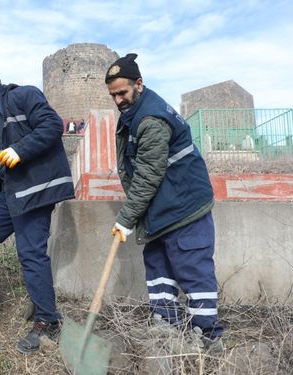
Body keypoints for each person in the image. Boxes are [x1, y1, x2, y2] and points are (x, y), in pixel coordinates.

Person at [0, 57, 74, 354]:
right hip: (12, 193)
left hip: (36, 190)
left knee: (30, 252)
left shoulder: (24, 96)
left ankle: (48, 320)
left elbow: (52, 126)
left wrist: (21, 149)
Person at [105, 53, 224, 352]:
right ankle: (166, 325)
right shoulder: (134, 113)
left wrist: (126, 217)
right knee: (157, 264)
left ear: (139, 84)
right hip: (161, 207)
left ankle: (208, 338)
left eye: (122, 92)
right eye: (113, 95)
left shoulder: (151, 119)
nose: (118, 100)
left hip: (184, 206)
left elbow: (148, 175)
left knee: (192, 267)